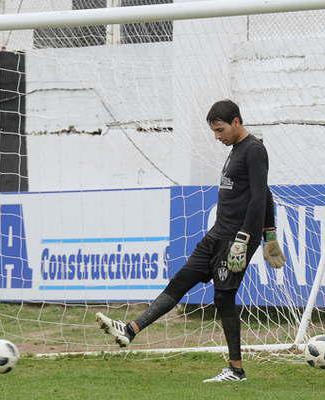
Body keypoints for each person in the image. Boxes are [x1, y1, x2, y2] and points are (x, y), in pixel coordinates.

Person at [96, 99, 286, 382]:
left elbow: (260, 197)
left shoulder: (255, 150)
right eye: (214, 131)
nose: (217, 136)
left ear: (236, 122)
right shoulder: (235, 150)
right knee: (181, 280)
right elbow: (265, 193)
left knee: (223, 298)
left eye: (220, 129)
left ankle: (236, 370)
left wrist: (251, 238)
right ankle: (131, 329)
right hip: (217, 235)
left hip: (236, 239)